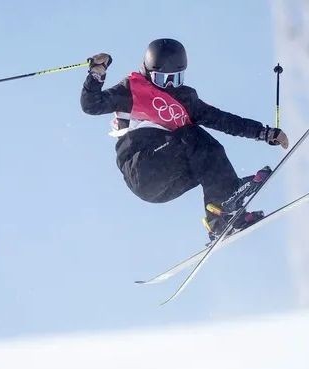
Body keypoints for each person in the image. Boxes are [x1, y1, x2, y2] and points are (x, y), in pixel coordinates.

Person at [81, 38, 289, 240]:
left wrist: (263, 132)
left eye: (176, 78)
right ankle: (227, 198)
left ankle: (222, 219)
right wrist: (97, 73)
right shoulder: (132, 89)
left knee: (208, 159)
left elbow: (221, 119)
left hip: (164, 186)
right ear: (148, 72)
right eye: (164, 79)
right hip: (142, 167)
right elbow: (92, 104)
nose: (170, 85)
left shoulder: (185, 99)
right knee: (192, 134)